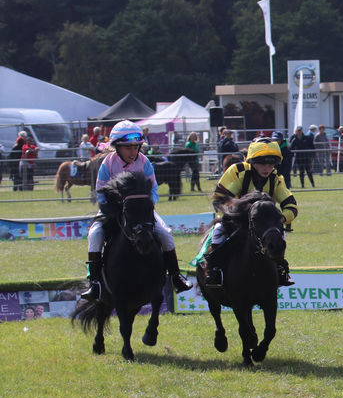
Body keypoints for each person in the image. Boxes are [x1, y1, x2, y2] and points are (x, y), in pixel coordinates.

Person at [81, 120, 193, 301]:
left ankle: (176, 276)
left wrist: (146, 205)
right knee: (95, 234)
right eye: (128, 148)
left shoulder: (144, 162)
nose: (133, 152)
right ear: (116, 147)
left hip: (142, 211)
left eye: (136, 147)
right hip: (113, 211)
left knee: (165, 233)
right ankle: (94, 283)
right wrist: (114, 211)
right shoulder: (107, 163)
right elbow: (100, 193)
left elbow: (154, 189)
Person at [203, 138, 298, 288]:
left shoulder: (276, 179)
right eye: (262, 164)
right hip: (235, 220)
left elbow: (291, 206)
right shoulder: (238, 172)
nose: (267, 168)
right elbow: (220, 198)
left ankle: (280, 269)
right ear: (252, 162)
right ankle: (213, 269)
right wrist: (240, 214)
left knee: (279, 235)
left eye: (271, 164)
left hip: (263, 225)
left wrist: (279, 219)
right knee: (218, 231)